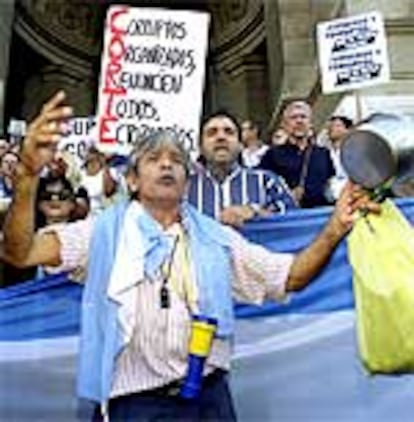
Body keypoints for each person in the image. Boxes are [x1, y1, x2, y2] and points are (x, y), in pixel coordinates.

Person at [3, 91, 380, 421]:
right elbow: (21, 253)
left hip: (210, 402)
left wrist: (334, 228)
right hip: (135, 405)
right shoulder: (104, 233)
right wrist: (26, 179)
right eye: (154, 158)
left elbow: (290, 277)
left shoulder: (216, 238)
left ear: (187, 179)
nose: (167, 164)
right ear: (132, 180)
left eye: (176, 160)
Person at [188, 111, 296, 227]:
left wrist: (256, 212)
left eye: (229, 132)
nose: (221, 137)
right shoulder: (184, 188)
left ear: (241, 145)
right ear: (200, 147)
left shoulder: (267, 182)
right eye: (212, 133)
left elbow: (297, 222)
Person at [260, 100, 335, 208]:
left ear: (310, 123)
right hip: (289, 217)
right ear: (284, 125)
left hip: (321, 215)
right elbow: (263, 188)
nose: (299, 121)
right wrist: (287, 195)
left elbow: (330, 184)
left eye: (303, 117)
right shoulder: (272, 154)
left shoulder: (323, 153)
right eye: (293, 117)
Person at [325, 115, 353, 202]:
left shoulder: (353, 152)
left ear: (347, 130)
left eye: (337, 126)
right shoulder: (325, 152)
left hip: (350, 196)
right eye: (331, 126)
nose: (332, 129)